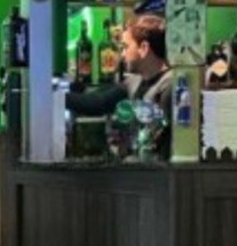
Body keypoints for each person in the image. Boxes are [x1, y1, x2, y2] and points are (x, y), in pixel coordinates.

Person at [65, 13, 174, 151]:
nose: (122, 55)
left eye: (126, 47)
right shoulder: (135, 82)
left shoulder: (169, 87)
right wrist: (62, 94)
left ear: (144, 48)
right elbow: (98, 102)